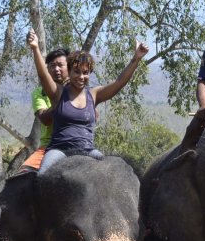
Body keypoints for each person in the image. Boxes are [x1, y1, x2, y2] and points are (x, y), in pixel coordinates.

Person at [26, 29, 148, 173]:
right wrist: (35, 48)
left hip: (88, 151)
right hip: (59, 150)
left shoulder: (94, 94)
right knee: (42, 176)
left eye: (85, 73)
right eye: (77, 72)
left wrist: (136, 58)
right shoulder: (58, 93)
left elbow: (119, 82)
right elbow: (43, 74)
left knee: (113, 173)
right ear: (69, 72)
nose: (81, 77)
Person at [19, 47, 69, 172]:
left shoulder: (79, 90)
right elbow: (45, 120)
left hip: (77, 144)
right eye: (52, 66)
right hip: (48, 146)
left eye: (60, 65)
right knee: (21, 176)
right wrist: (63, 98)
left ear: (69, 67)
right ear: (47, 69)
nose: (56, 69)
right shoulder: (39, 93)